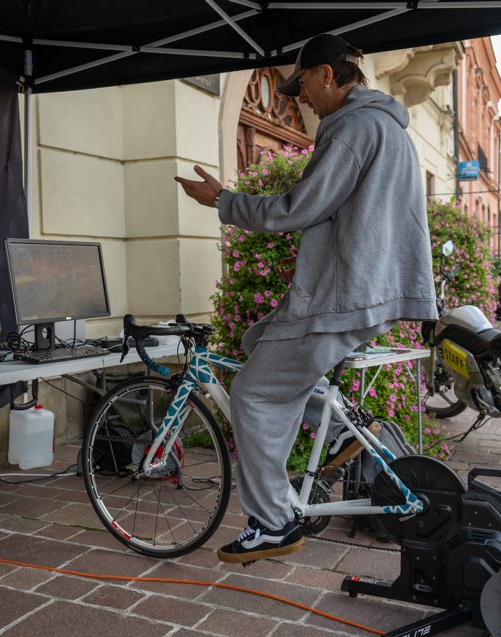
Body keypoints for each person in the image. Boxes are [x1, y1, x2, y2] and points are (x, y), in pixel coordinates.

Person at [174, 33, 436, 565]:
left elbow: (297, 208)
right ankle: (338, 429)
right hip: (369, 291)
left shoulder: (351, 130)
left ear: (326, 75)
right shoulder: (386, 127)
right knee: (256, 340)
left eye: (303, 87)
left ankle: (273, 523)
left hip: (344, 294)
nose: (300, 100)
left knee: (251, 392)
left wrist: (223, 200)